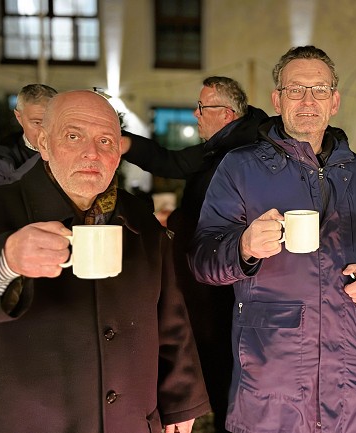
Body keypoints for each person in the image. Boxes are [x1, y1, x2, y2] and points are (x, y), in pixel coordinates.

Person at [0, 90, 210, 433]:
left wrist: (181, 403)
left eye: (106, 141)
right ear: (43, 143)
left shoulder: (139, 218)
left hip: (129, 422)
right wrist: (5, 260)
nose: (92, 153)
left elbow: (170, 316)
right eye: (74, 136)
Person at [188, 46, 356, 433]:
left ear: (334, 101)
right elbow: (202, 261)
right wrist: (243, 247)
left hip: (351, 373)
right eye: (295, 90)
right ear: (277, 100)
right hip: (273, 375)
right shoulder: (240, 167)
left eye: (319, 90)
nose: (308, 101)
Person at [123, 76, 268, 433]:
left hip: (226, 279)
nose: (195, 114)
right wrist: (124, 143)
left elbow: (178, 169)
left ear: (227, 113)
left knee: (222, 360)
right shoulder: (228, 141)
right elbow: (173, 163)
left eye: (202, 107)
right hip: (214, 272)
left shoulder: (242, 150)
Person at [0, 83, 57, 189]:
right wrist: (44, 157)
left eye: (50, 121)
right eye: (37, 123)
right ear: (19, 117)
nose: (45, 129)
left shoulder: (74, 148)